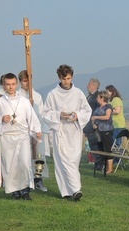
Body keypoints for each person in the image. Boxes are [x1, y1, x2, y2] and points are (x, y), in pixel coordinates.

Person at [0, 73, 42, 201]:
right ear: (4, 85)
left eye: (13, 84)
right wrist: (1, 119)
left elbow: (32, 118)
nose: (10, 87)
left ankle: (25, 190)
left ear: (16, 84)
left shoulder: (24, 101)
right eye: (8, 84)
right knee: (10, 164)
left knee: (24, 162)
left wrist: (36, 131)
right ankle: (14, 191)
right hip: (7, 137)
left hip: (22, 136)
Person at [43, 64, 92, 201]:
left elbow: (87, 110)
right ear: (59, 77)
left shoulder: (78, 93)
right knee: (64, 161)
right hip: (61, 132)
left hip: (75, 132)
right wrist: (59, 115)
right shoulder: (53, 94)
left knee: (73, 160)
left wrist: (77, 115)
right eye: (64, 79)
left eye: (69, 78)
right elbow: (46, 113)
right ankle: (75, 189)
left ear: (72, 77)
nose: (66, 81)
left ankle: (68, 190)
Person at [18, 70, 50, 192]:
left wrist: (40, 130)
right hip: (23, 131)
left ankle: (38, 180)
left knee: (38, 156)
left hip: (36, 131)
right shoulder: (18, 96)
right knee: (24, 157)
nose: (27, 84)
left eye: (29, 81)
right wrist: (26, 105)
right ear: (20, 82)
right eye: (25, 81)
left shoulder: (37, 96)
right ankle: (25, 181)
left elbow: (41, 114)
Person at [83, 78, 105, 172]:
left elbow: (97, 111)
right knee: (92, 146)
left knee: (96, 146)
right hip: (89, 125)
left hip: (94, 126)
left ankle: (100, 164)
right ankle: (97, 163)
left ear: (94, 86)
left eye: (89, 84)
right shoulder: (90, 96)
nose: (87, 85)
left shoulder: (97, 96)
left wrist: (95, 123)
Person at [91, 90, 114, 173]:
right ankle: (102, 166)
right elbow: (93, 117)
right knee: (100, 148)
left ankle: (110, 168)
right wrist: (93, 123)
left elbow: (107, 117)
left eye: (98, 97)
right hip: (98, 130)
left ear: (102, 98)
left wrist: (96, 117)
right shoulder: (98, 107)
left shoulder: (108, 106)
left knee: (107, 148)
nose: (97, 99)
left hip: (106, 130)